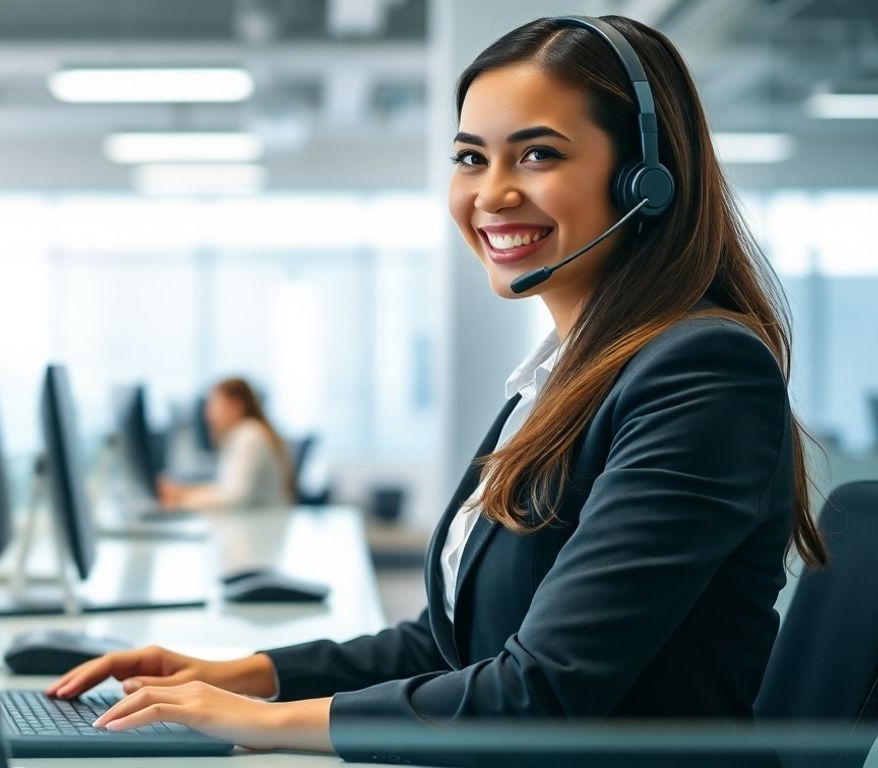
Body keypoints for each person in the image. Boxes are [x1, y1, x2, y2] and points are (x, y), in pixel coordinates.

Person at [45, 15, 829, 761]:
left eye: (537, 154)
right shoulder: (564, 375)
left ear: (644, 181)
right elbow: (447, 642)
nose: (491, 194)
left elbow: (538, 693)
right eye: (470, 158)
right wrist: (241, 676)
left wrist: (264, 723)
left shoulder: (700, 372)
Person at [158, 377, 294, 510]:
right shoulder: (242, 435)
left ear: (236, 406)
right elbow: (226, 489)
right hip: (259, 519)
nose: (208, 415)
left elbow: (234, 498)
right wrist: (184, 493)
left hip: (264, 521)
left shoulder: (249, 437)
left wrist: (183, 498)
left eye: (214, 406)